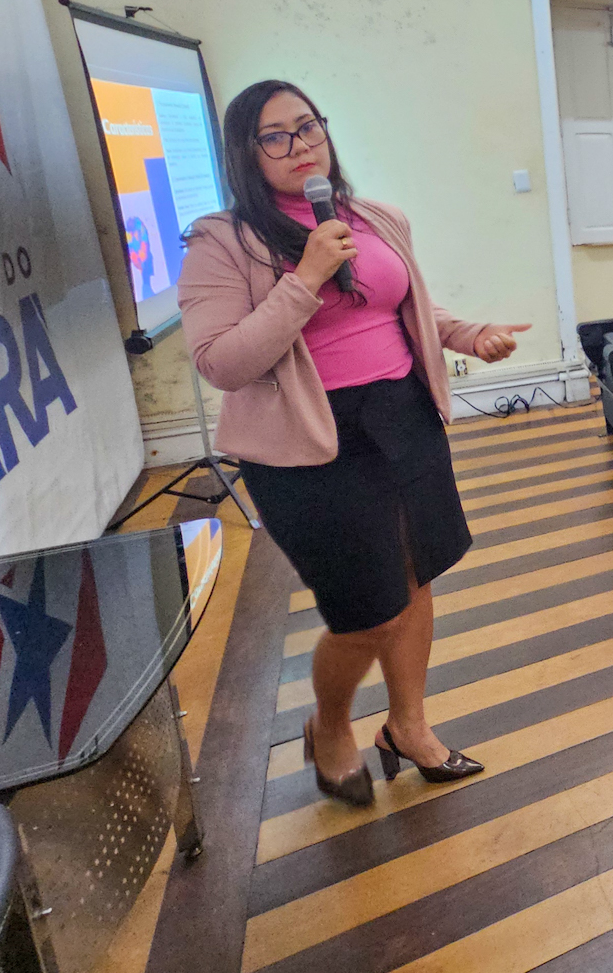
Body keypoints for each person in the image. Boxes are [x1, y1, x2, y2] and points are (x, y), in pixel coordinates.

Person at [180, 81, 528, 805]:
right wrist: (305, 275)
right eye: (274, 135)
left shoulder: (374, 217)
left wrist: (467, 334)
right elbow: (222, 361)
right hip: (308, 445)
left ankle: (408, 725)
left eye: (307, 125)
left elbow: (405, 303)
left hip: (402, 417)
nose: (299, 142)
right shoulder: (224, 242)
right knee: (368, 610)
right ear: (246, 154)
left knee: (417, 576)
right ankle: (330, 725)